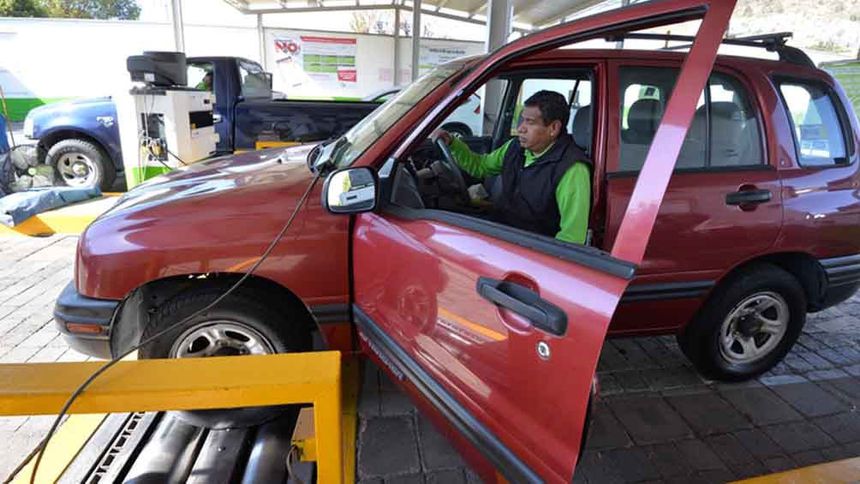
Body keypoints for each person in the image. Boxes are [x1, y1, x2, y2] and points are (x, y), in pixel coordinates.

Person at [434, 90, 592, 244]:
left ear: (553, 128)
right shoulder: (515, 147)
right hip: (502, 231)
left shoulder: (572, 169)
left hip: (530, 247)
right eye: (522, 120)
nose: (520, 128)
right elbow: (480, 166)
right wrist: (453, 143)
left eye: (530, 122)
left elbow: (571, 239)